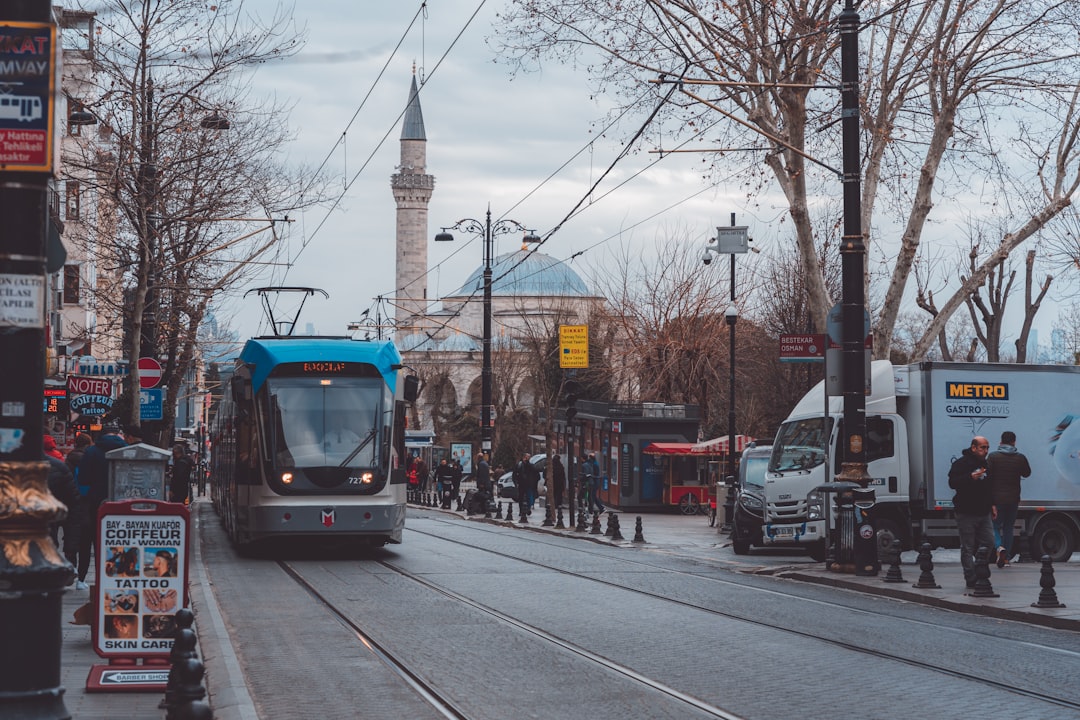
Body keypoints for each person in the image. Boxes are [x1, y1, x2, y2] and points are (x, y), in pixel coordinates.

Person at [74, 422, 130, 588]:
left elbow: (82, 479)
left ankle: (86, 578)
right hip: (122, 503)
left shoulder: (91, 451)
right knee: (118, 541)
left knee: (91, 540)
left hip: (95, 503)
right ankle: (116, 577)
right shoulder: (127, 450)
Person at [948, 436, 995, 588]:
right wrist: (969, 477)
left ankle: (981, 569)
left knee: (988, 541)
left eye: (987, 447)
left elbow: (989, 486)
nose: (985, 451)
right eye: (982, 448)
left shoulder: (986, 464)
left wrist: (993, 504)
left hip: (984, 511)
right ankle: (971, 577)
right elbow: (952, 482)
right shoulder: (961, 464)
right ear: (974, 448)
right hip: (966, 511)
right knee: (967, 546)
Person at [987, 431, 1031, 567]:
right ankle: (1006, 558)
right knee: (1008, 528)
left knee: (994, 526)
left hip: (997, 499)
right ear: (1014, 442)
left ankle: (1000, 548)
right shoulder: (1020, 458)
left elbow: (987, 476)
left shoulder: (993, 457)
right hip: (1013, 499)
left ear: (1001, 442)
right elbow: (1027, 473)